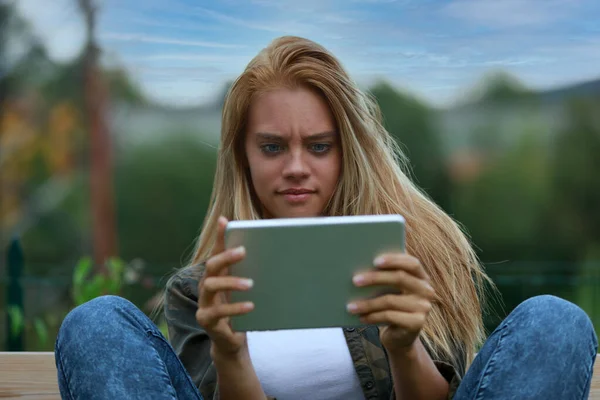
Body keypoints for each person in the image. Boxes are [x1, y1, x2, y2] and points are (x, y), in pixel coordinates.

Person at [55, 36, 597, 400]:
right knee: (96, 322)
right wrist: (230, 351)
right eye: (271, 147)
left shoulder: (414, 257)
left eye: (318, 146)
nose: (295, 168)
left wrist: (403, 346)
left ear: (348, 151)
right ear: (243, 155)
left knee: (556, 320)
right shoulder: (203, 294)